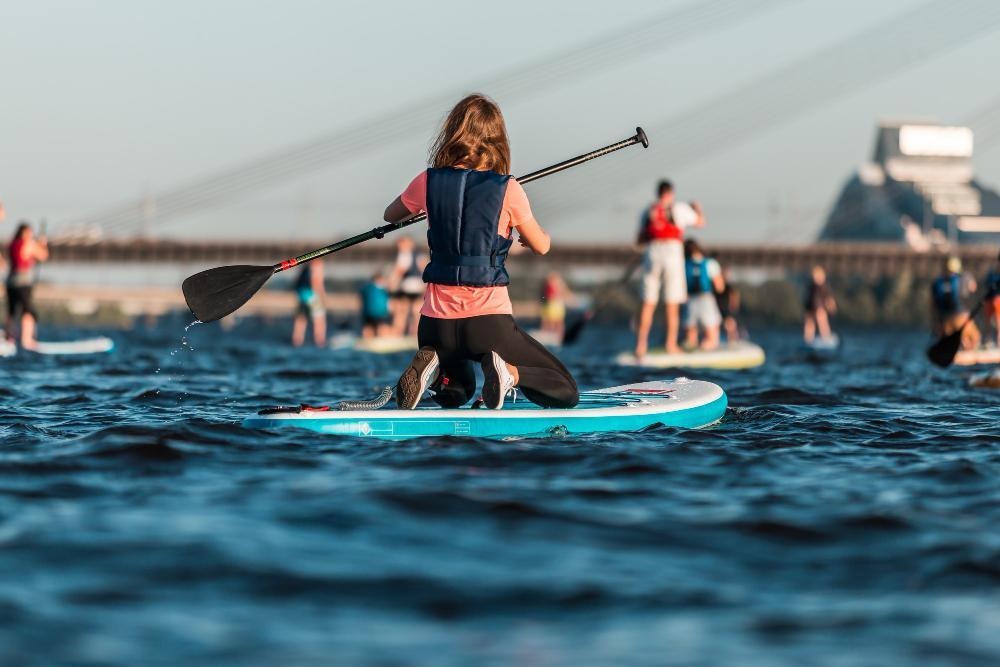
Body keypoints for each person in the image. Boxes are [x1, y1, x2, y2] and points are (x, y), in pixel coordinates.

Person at [383, 93, 579, 410]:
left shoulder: (427, 182)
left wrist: (428, 204)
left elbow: (390, 215)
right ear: (497, 140)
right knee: (565, 390)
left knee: (458, 393)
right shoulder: (509, 189)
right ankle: (509, 372)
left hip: (435, 328)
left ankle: (433, 371)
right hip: (488, 326)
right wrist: (532, 237)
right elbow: (541, 245)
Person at [634, 180, 705, 358]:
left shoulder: (647, 211)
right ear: (671, 193)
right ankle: (670, 344)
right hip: (672, 253)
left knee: (648, 303)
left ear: (657, 193)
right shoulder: (680, 208)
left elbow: (640, 240)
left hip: (652, 253)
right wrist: (697, 209)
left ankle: (641, 345)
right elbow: (700, 223)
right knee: (671, 304)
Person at [5, 222, 49, 349]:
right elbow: (43, 256)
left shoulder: (12, 244)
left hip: (11, 281)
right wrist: (42, 245)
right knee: (27, 311)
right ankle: (27, 340)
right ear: (25, 233)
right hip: (23, 282)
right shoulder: (28, 244)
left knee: (12, 311)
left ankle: (10, 338)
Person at [682, 239, 724, 350]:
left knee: (690, 336)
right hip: (706, 299)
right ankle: (706, 347)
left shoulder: (683, 264)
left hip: (689, 301)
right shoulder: (710, 263)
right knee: (712, 337)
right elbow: (720, 287)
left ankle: (691, 349)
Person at [931, 256, 979, 350]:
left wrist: (936, 324)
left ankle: (959, 346)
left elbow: (932, 304)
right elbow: (973, 287)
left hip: (944, 321)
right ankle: (967, 349)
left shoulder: (937, 282)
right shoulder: (962, 279)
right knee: (975, 338)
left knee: (952, 339)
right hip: (961, 316)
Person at [388, 236, 426, 337]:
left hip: (407, 286)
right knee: (416, 312)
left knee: (401, 312)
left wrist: (391, 283)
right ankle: (415, 334)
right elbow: (424, 268)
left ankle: (397, 334)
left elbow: (400, 270)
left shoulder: (404, 254)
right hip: (418, 285)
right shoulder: (419, 255)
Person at [290, 261, 327, 347]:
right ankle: (320, 342)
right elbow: (316, 281)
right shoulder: (318, 265)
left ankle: (297, 341)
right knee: (319, 320)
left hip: (302, 294)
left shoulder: (306, 266)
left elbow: (297, 282)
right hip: (312, 295)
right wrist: (322, 296)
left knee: (301, 319)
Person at [803, 266, 837, 343]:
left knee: (822, 321)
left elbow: (829, 298)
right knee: (809, 323)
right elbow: (807, 298)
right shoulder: (811, 286)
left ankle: (825, 337)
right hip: (810, 308)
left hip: (820, 308)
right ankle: (808, 339)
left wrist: (832, 307)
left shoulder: (824, 287)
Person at [359, 271, 392, 339]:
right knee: (381, 328)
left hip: (367, 314)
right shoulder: (384, 289)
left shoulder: (366, 288)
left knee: (368, 328)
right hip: (380, 314)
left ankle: (367, 339)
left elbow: (361, 297)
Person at [540, 271, 571, 339]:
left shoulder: (558, 284)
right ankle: (551, 336)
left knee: (555, 322)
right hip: (551, 304)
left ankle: (557, 336)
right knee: (550, 322)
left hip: (555, 304)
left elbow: (564, 294)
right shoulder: (550, 284)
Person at [715, 265, 741, 343]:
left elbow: (735, 296)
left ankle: (733, 340)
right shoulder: (718, 285)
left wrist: (734, 306)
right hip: (718, 308)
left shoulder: (729, 287)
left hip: (725, 309)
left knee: (730, 326)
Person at [982, 251, 1000, 348]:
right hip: (989, 300)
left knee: (998, 322)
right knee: (988, 322)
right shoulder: (991, 274)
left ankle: (998, 341)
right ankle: (988, 341)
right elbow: (986, 285)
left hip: (997, 300)